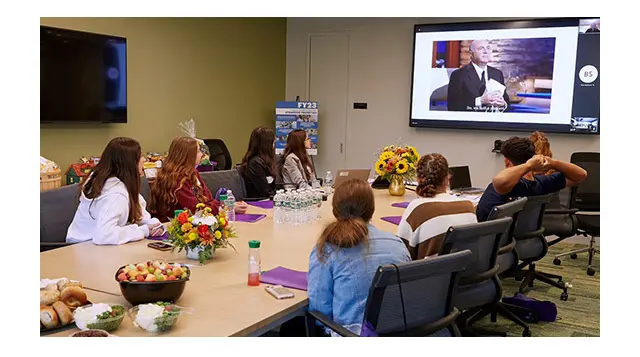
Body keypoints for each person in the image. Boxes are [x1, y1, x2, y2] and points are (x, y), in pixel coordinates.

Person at [308, 179, 411, 336]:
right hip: (398, 332)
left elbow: (319, 310)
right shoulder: (397, 244)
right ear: (372, 210)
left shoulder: (328, 249)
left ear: (335, 211)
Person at [66, 137, 165, 245]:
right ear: (129, 163)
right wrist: (143, 230)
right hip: (84, 247)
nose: (144, 159)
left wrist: (154, 225)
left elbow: (138, 212)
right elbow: (104, 235)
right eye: (140, 156)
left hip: (94, 245)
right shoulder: (116, 193)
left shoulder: (112, 182)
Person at [475, 137, 588, 222]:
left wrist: (528, 166)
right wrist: (554, 163)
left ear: (506, 161)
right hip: (523, 239)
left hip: (491, 240)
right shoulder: (542, 183)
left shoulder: (507, 186)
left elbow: (499, 180)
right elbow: (581, 174)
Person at [396, 154, 477, 260]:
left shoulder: (417, 209)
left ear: (419, 180)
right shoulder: (469, 206)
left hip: (430, 274)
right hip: (463, 271)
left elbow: (401, 253)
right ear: (447, 179)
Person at [149, 136, 220, 222]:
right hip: (174, 227)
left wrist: (214, 206)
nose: (202, 154)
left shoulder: (193, 172)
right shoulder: (175, 179)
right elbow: (196, 210)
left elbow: (209, 199)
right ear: (188, 156)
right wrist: (218, 207)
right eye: (198, 151)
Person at [447, 39, 510, 112]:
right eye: (481, 48)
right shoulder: (458, 75)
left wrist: (503, 104)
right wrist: (480, 101)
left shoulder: (497, 74)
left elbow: (507, 103)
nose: (486, 51)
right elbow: (453, 106)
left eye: (488, 48)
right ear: (471, 54)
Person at [238, 127, 277, 199]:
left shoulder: (266, 161)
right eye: (273, 142)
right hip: (260, 201)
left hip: (269, 199)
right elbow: (265, 191)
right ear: (267, 144)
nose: (274, 146)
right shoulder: (255, 163)